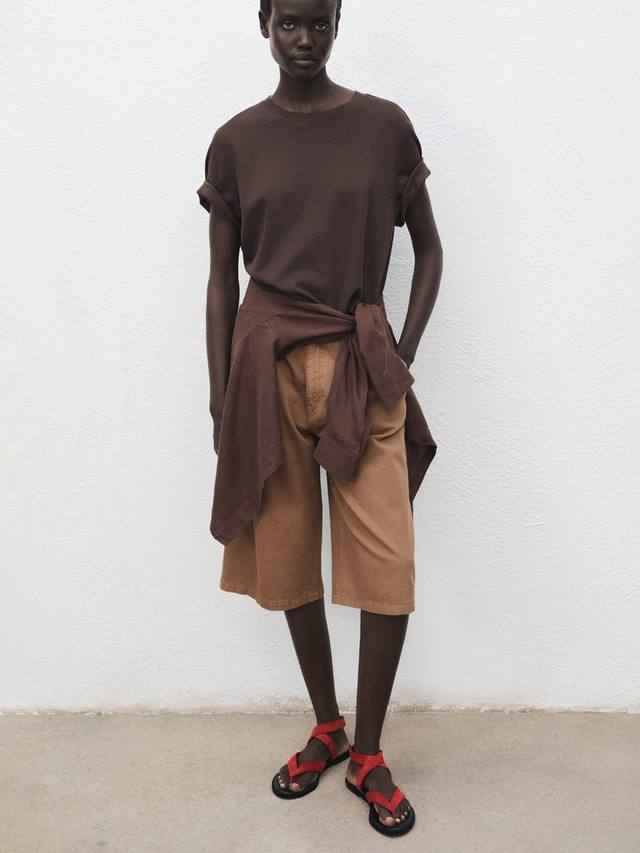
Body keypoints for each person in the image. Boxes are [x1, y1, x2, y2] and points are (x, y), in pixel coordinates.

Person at [196, 0, 442, 838]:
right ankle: (328, 726)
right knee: (289, 554)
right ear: (262, 21)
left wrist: (397, 355)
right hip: (265, 371)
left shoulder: (384, 129)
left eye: (320, 23)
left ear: (340, 22)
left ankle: (368, 752)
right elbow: (221, 281)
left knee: (386, 561)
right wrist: (219, 391)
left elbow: (431, 249)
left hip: (359, 368)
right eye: (289, 23)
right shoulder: (236, 141)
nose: (304, 40)